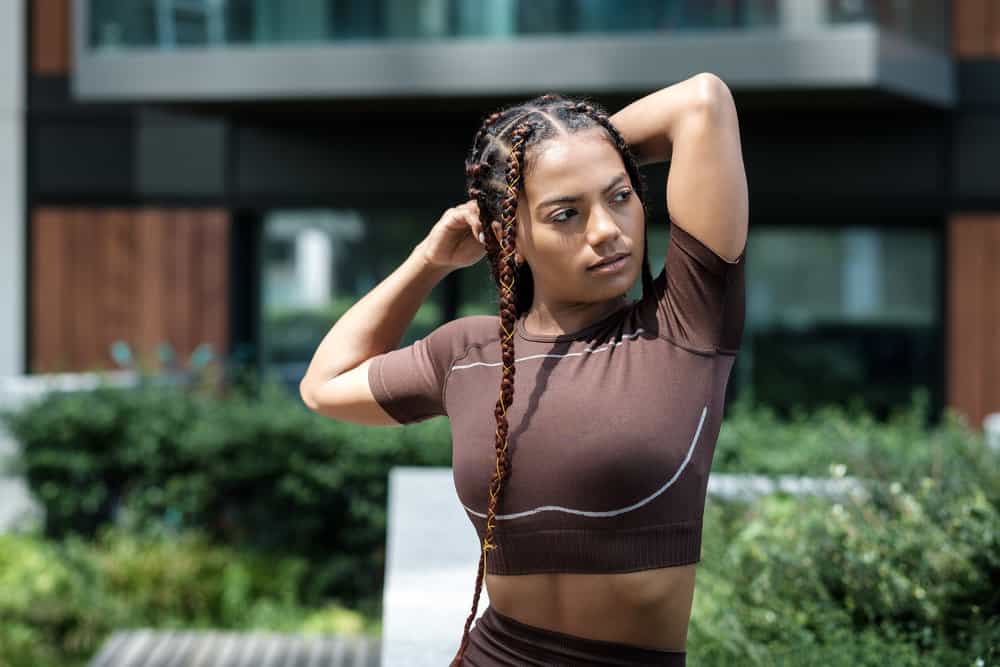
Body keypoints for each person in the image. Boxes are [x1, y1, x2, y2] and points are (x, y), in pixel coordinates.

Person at [300, 72, 749, 666]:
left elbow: (702, 102)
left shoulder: (684, 323)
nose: (607, 231)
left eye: (620, 196)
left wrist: (574, 147)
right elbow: (323, 386)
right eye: (566, 213)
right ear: (509, 236)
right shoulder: (466, 352)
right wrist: (428, 261)